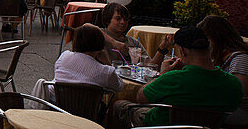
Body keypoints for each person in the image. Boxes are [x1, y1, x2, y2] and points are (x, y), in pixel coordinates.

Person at [114, 25, 243, 127]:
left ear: (183, 51)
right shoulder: (233, 84)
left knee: (119, 105)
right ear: (209, 48)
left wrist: (161, 75)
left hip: (160, 125)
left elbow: (141, 98)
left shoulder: (172, 79)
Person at [199, 15, 248, 125]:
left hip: (238, 111)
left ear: (218, 37)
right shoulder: (220, 57)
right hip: (224, 107)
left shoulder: (240, 58)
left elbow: (239, 93)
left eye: (207, 39)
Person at [52, 24, 123, 97]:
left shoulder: (64, 56)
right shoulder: (106, 72)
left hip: (55, 104)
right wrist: (107, 62)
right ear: (100, 45)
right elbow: (119, 87)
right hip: (87, 107)